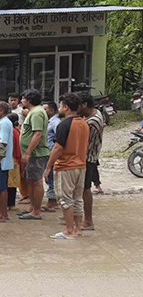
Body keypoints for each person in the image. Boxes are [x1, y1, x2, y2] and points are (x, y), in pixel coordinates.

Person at [44, 93, 89, 240]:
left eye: (61, 105)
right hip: (81, 165)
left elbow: (58, 148)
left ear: (66, 107)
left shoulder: (64, 124)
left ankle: (69, 230)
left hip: (66, 165)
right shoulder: (84, 123)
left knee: (65, 199)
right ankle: (78, 228)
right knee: (77, 198)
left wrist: (48, 166)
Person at [18, 89, 49, 221]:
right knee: (30, 180)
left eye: (23, 98)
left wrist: (28, 152)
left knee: (36, 181)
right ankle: (32, 207)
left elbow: (38, 133)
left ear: (29, 100)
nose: (21, 101)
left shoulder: (36, 113)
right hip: (33, 154)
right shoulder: (34, 112)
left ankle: (36, 211)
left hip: (36, 154)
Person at [78, 92, 104, 231]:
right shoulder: (92, 114)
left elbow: (84, 142)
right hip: (88, 157)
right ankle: (77, 216)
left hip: (88, 158)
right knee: (80, 188)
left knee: (85, 188)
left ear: (84, 105)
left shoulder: (92, 122)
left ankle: (88, 220)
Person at [43, 100, 61, 211]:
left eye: (45, 109)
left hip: (52, 153)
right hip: (47, 152)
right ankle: (51, 200)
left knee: (51, 176)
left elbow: (59, 137)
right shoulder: (48, 121)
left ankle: (53, 201)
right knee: (48, 176)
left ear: (51, 110)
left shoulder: (55, 122)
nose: (43, 111)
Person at [7, 113, 22, 210]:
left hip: (11, 158)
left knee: (9, 183)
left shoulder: (11, 132)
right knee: (13, 183)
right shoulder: (17, 131)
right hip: (15, 159)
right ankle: (11, 204)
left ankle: (8, 204)